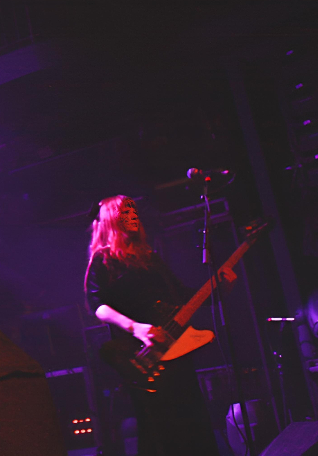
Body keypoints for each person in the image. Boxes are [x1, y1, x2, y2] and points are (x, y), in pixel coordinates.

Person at [84, 195, 236, 456]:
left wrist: (221, 289)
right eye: (125, 212)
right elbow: (98, 306)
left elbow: (182, 296)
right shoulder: (103, 259)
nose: (133, 216)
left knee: (193, 422)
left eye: (134, 211)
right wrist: (136, 328)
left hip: (175, 348)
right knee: (160, 429)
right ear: (111, 219)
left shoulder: (150, 257)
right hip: (143, 355)